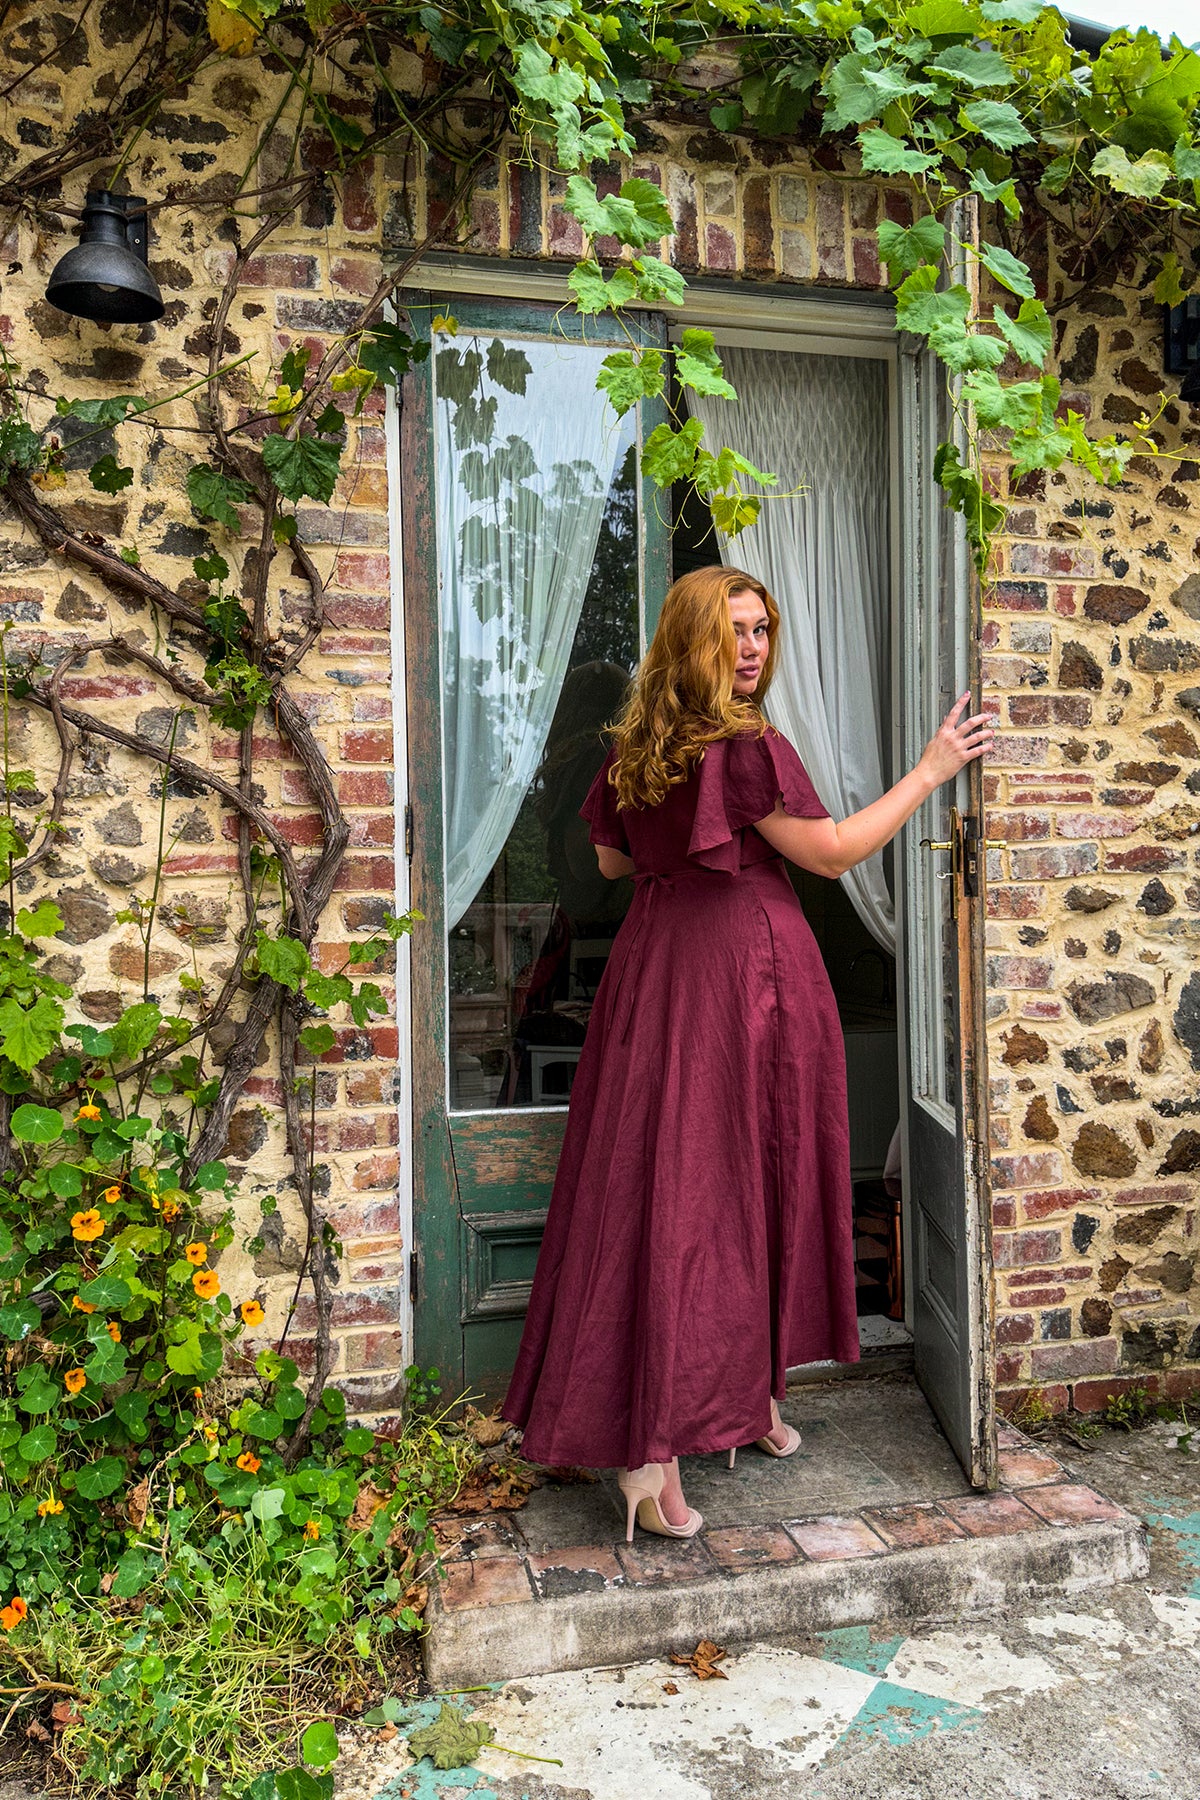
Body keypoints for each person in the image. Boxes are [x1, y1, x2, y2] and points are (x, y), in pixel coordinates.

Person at [502, 565, 992, 1543]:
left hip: (656, 970)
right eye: (735, 629)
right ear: (694, 640)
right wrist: (932, 771)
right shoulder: (743, 744)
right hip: (743, 977)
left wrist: (677, 841)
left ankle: (744, 1403)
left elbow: (610, 860)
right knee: (715, 1193)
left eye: (763, 628)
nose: (755, 646)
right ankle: (653, 1454)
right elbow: (833, 853)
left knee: (686, 1183)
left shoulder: (635, 748)